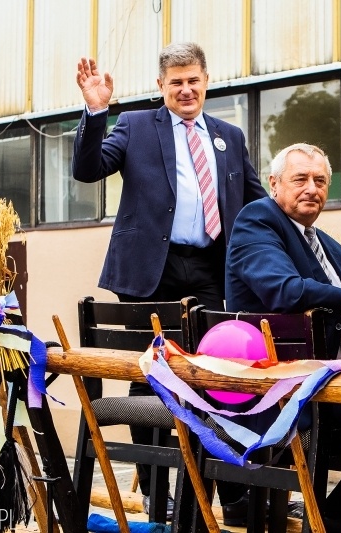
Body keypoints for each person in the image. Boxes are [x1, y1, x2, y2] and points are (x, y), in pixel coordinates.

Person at [73, 42, 265, 523]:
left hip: (212, 272)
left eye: (193, 80)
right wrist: (95, 112)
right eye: (176, 82)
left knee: (219, 379)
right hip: (149, 273)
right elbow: (88, 169)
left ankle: (232, 496)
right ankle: (161, 497)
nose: (186, 89)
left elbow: (257, 202)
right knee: (152, 381)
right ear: (160, 86)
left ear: (206, 81)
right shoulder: (135, 125)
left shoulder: (229, 136)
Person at [226, 143, 341, 533]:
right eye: (300, 178)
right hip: (274, 391)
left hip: (332, 384)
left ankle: (334, 512)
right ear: (274, 184)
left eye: (320, 180)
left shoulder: (329, 247)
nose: (312, 188)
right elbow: (284, 291)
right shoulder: (257, 221)